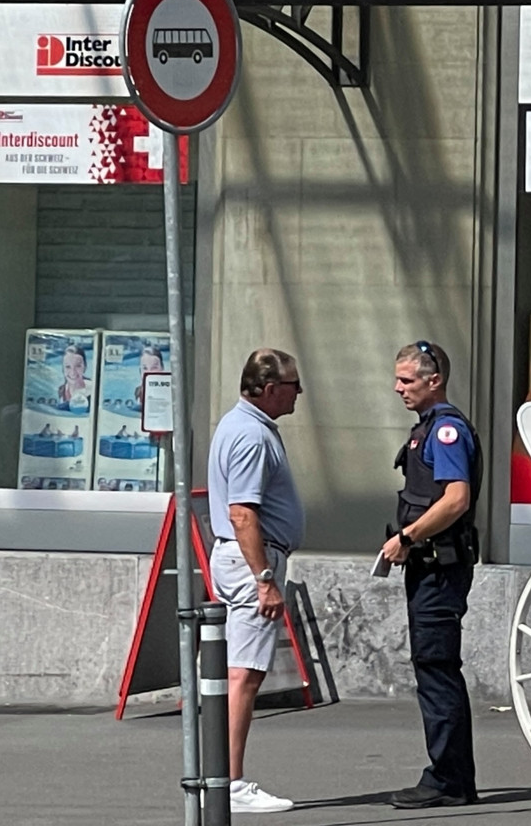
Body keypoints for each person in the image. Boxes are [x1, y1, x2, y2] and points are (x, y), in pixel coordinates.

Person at [378, 341, 481, 809]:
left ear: (434, 380)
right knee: (434, 668)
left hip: (440, 568)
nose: (398, 387)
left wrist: (408, 536)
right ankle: (451, 776)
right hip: (428, 566)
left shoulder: (446, 431)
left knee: (438, 669)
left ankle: (448, 780)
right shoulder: (427, 428)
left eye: (407, 380)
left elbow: (456, 499)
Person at [207, 348, 306, 814]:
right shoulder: (250, 435)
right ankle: (230, 783)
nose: (298, 393)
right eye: (293, 385)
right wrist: (264, 578)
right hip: (251, 561)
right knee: (244, 674)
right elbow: (242, 513)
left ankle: (222, 778)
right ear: (269, 389)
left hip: (241, 558)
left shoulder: (241, 425)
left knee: (239, 672)